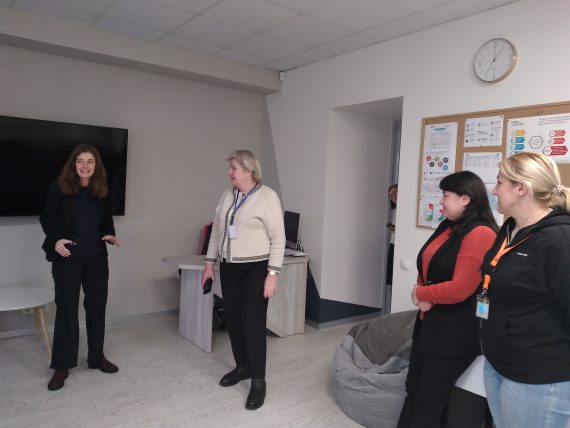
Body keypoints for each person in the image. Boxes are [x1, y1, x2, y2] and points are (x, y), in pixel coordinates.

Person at [397, 171, 498, 428]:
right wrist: (421, 292)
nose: (441, 201)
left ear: (465, 199)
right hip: (429, 323)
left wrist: (420, 293)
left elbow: (460, 288)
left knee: (428, 400)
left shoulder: (480, 233)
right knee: (414, 389)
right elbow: (428, 265)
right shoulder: (449, 226)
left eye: (446, 196)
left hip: (453, 333)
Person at [480, 152, 570, 428]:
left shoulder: (559, 239)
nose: (493, 190)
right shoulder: (510, 229)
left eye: (499, 182)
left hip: (539, 376)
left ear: (521, 188)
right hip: (499, 362)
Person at [201, 149, 285, 410]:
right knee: (235, 322)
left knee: (253, 324)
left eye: (234, 168)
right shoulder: (227, 195)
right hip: (229, 268)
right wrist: (209, 264)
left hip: (256, 269)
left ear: (249, 171)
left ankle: (258, 381)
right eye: (230, 168)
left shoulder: (268, 197)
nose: (230, 173)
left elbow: (278, 239)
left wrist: (272, 275)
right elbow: (217, 232)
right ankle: (243, 367)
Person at [40, 144, 121, 391]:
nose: (85, 166)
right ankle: (61, 366)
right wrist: (56, 240)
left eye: (90, 161)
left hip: (96, 257)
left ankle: (96, 357)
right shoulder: (59, 187)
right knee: (66, 310)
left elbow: (106, 219)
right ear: (73, 164)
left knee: (96, 307)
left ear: (96, 166)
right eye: (80, 161)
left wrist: (110, 233)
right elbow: (46, 217)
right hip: (68, 257)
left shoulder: (101, 189)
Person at [386, 184, 398, 309]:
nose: (393, 196)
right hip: (393, 244)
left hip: (398, 246)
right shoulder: (396, 210)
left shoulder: (405, 209)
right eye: (390, 195)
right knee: (391, 279)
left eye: (395, 192)